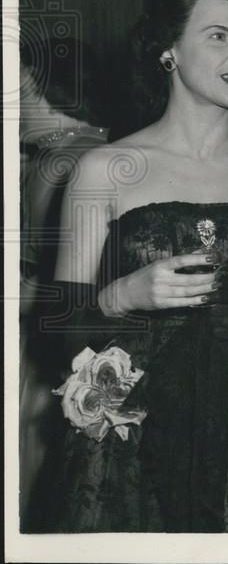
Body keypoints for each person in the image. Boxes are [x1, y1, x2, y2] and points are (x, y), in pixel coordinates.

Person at [48, 0, 228, 532]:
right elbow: (54, 329)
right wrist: (124, 294)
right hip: (137, 423)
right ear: (169, 52)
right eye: (219, 36)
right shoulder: (102, 170)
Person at [19, 37, 110, 530]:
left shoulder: (59, 161)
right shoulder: (101, 145)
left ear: (36, 85)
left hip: (52, 356)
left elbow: (58, 293)